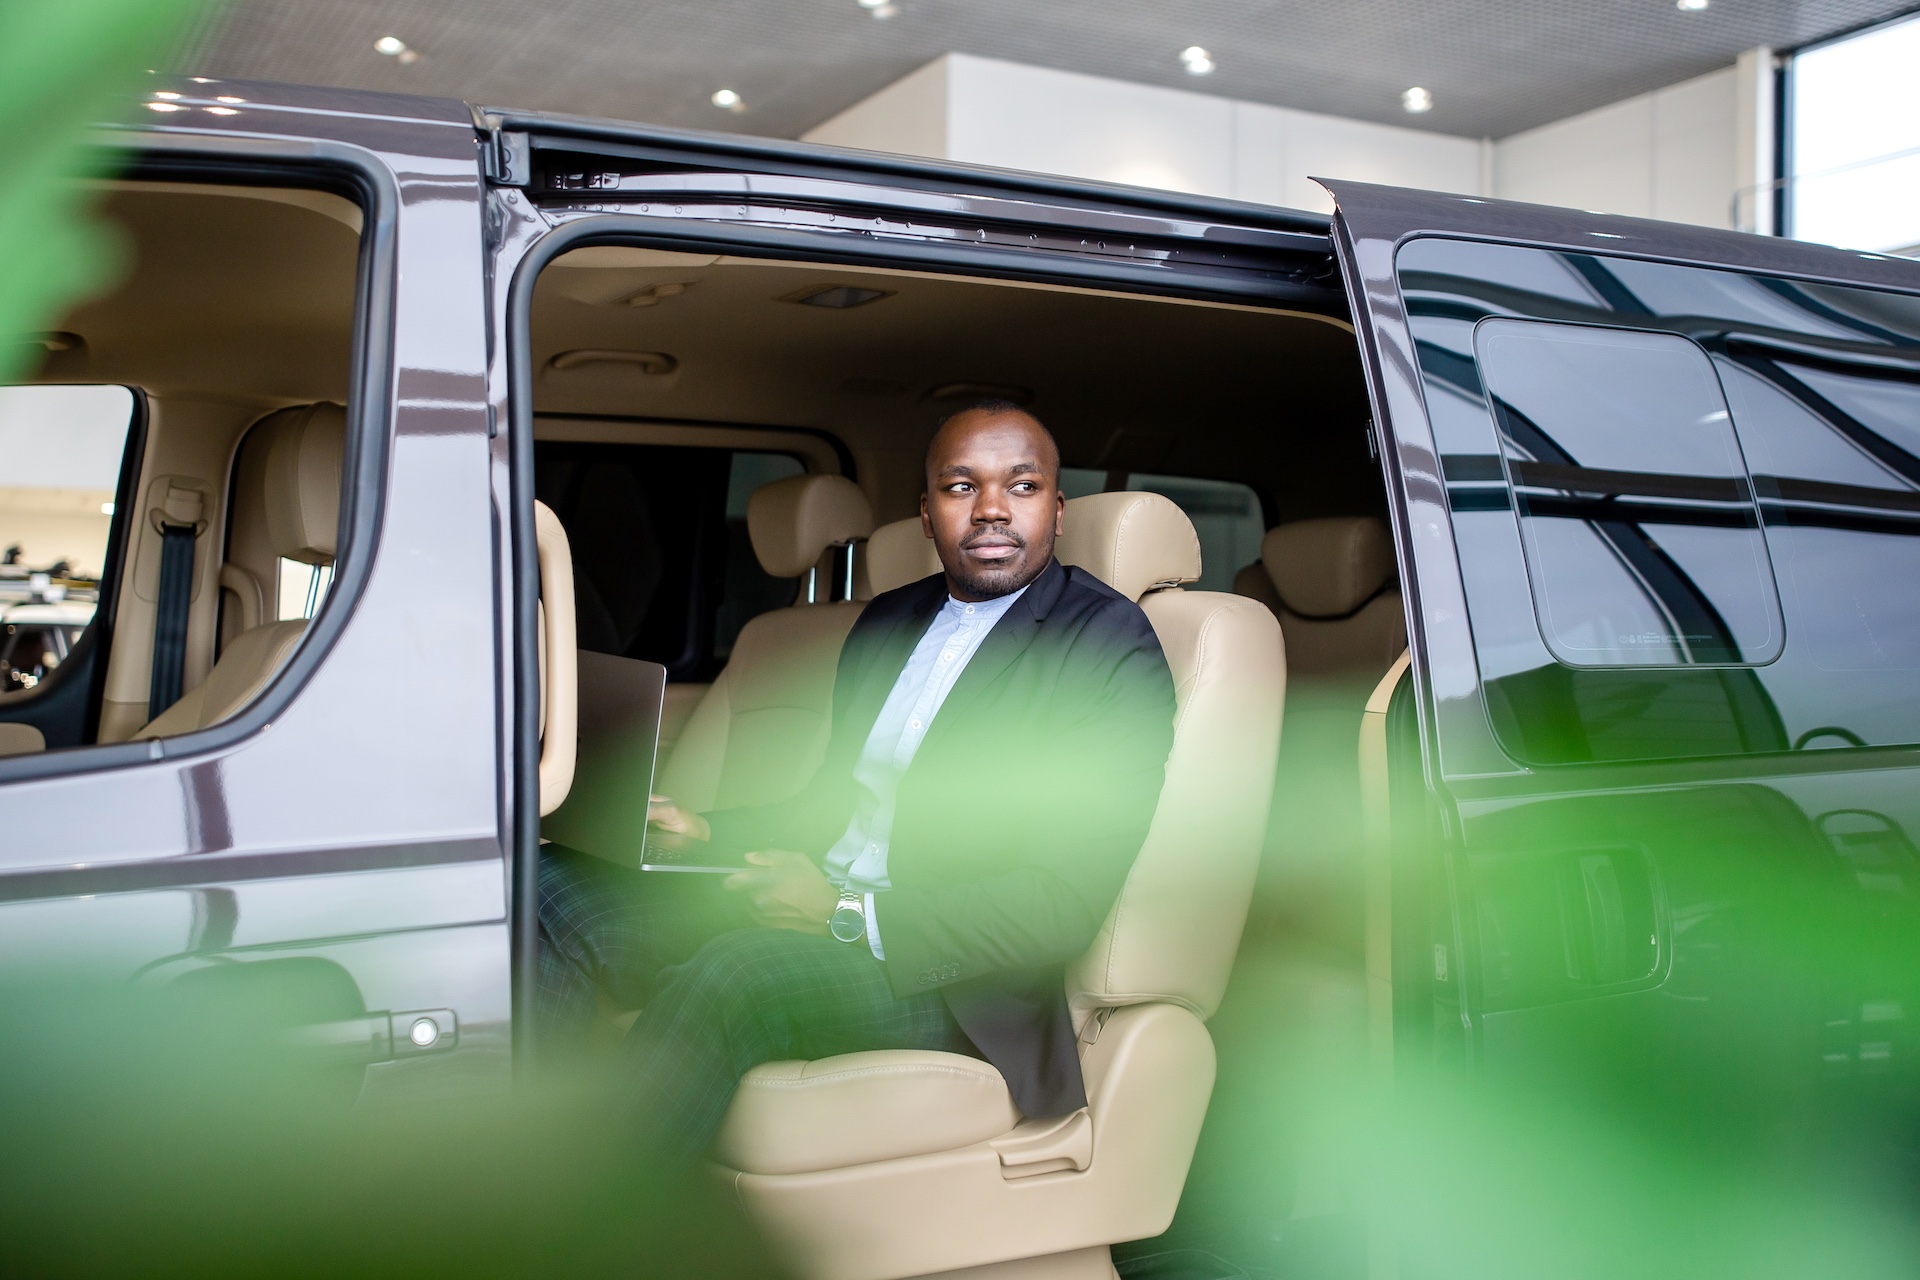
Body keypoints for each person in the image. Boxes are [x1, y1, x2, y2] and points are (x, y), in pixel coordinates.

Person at [537, 401, 1176, 1166]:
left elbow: (1059, 904)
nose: (993, 509)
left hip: (946, 981)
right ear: (927, 511)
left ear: (1058, 510)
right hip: (814, 904)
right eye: (961, 487)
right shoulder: (891, 620)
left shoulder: (1106, 645)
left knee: (737, 969)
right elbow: (835, 806)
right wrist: (711, 832)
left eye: (1023, 485)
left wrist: (843, 911)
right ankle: (513, 1159)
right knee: (546, 885)